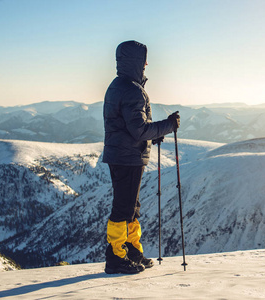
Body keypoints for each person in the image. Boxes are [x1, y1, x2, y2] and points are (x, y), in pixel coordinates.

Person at [102, 40, 180, 274]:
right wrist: (167, 126)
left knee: (131, 207)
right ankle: (116, 257)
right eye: (144, 60)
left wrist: (150, 136)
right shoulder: (132, 90)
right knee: (124, 208)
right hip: (127, 157)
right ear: (136, 62)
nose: (146, 64)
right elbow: (139, 129)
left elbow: (131, 128)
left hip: (123, 154)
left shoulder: (119, 85)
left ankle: (132, 250)